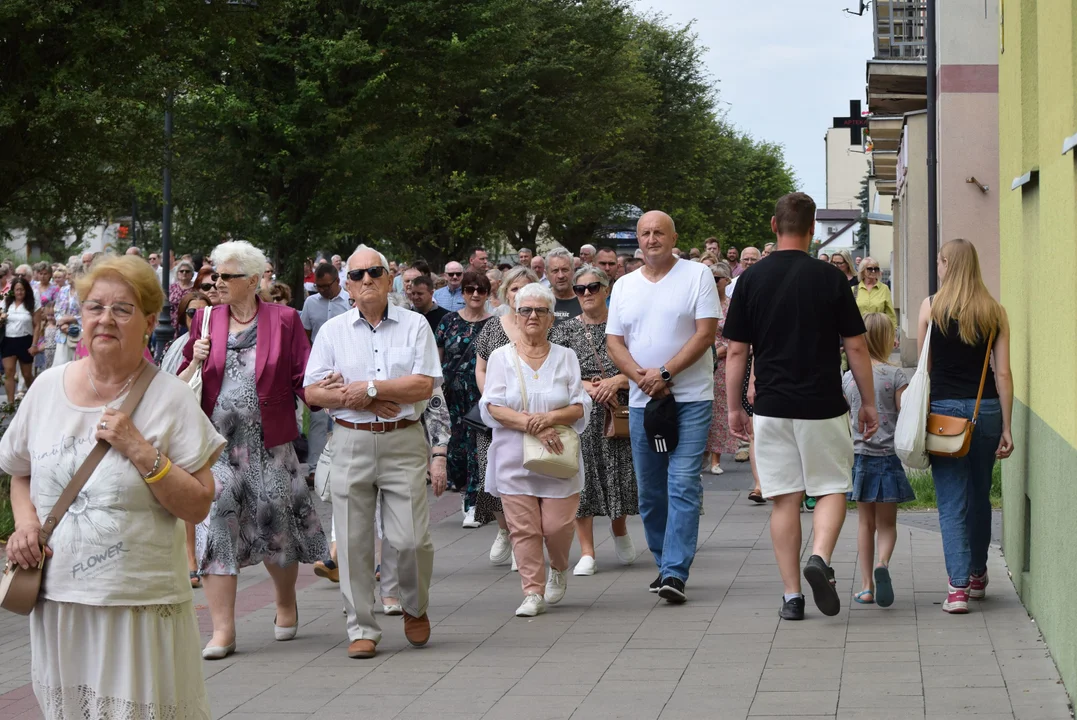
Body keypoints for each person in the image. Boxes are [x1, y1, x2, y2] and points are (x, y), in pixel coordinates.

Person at [0, 255, 224, 720]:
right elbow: (19, 471)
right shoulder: (45, 389)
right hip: (60, 601)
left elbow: (199, 504)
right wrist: (25, 525)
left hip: (139, 604)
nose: (105, 319)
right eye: (94, 306)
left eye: (122, 309)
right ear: (79, 316)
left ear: (147, 323)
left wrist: (140, 450)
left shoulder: (171, 398)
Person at [724, 192, 879, 621]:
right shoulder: (831, 279)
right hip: (823, 404)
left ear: (775, 226)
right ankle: (820, 557)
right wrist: (868, 402)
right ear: (813, 230)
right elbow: (857, 346)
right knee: (831, 486)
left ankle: (792, 596)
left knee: (783, 499)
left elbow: (737, 352)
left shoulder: (750, 280)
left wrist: (735, 408)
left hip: (771, 405)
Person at [179, 240, 328, 659]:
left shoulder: (283, 319)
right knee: (216, 530)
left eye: (227, 276)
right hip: (216, 447)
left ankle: (284, 602)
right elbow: (184, 380)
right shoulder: (206, 320)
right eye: (214, 275)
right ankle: (223, 630)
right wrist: (196, 359)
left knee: (275, 527)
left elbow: (304, 373)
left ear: (254, 279)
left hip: (270, 445)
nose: (217, 283)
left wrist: (326, 400)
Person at [303, 244, 439, 659]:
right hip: (349, 440)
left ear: (388, 278)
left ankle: (414, 607)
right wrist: (357, 400)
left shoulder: (415, 326)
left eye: (374, 272)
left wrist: (371, 388)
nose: (366, 281)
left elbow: (423, 385)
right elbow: (311, 392)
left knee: (412, 539)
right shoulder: (332, 331)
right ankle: (361, 626)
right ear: (347, 284)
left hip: (402, 439)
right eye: (358, 275)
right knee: (353, 540)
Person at [607, 210, 721, 604]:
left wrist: (666, 374)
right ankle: (663, 561)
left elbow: (706, 334)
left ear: (674, 238)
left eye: (659, 233)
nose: (651, 239)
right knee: (652, 493)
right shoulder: (623, 285)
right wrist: (641, 377)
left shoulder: (697, 276)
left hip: (688, 399)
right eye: (644, 233)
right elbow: (615, 342)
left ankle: (675, 571)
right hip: (643, 403)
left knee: (683, 482)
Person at [480, 283, 590, 617]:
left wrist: (547, 420)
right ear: (515, 316)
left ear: (550, 318)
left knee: (557, 527)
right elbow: (493, 407)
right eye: (525, 310)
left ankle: (558, 567)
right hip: (514, 456)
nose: (532, 316)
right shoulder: (501, 358)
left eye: (540, 311)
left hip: (558, 456)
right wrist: (532, 425)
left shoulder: (565, 356)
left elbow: (579, 405)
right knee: (523, 529)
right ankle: (532, 592)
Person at [917, 237, 1013, 613]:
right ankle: (977, 575)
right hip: (985, 409)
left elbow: (925, 369)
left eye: (941, 261)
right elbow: (1002, 373)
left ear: (946, 264)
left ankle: (957, 589)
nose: (939, 267)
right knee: (979, 494)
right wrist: (1007, 426)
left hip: (943, 414)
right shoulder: (995, 311)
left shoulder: (931, 307)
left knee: (951, 501)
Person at [551, 267, 638, 575]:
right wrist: (589, 387)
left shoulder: (624, 327)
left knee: (621, 476)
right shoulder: (562, 330)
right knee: (582, 481)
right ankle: (587, 551)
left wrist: (616, 382)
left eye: (593, 287)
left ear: (606, 289)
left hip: (620, 408)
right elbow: (556, 371)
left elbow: (642, 366)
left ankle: (619, 529)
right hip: (581, 411)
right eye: (580, 289)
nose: (586, 293)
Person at [843, 313, 914, 607]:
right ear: (887, 340)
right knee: (887, 524)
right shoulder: (897, 375)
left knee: (864, 523)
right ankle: (882, 564)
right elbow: (905, 412)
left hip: (859, 456)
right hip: (888, 457)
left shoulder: (847, 377)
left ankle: (866, 586)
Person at [474, 266, 540, 568]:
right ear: (505, 293)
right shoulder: (492, 327)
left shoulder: (544, 325)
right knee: (495, 480)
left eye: (525, 289)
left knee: (531, 480)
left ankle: (525, 541)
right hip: (497, 418)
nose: (519, 295)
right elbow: (482, 368)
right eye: (514, 289)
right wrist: (495, 404)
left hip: (535, 418)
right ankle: (505, 529)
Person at [435, 271, 493, 516]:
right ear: (463, 293)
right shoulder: (448, 321)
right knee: (456, 454)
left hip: (481, 396)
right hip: (451, 399)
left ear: (488, 293)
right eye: (470, 290)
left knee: (478, 450)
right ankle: (465, 492)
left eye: (481, 290)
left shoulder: (495, 324)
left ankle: (474, 504)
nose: (476, 294)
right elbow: (436, 361)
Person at [300, 262, 352, 487]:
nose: (321, 290)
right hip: (320, 369)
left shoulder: (350, 302)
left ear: (337, 281)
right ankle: (315, 469)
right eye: (318, 286)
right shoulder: (311, 303)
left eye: (326, 286)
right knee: (317, 419)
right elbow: (305, 336)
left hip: (346, 367)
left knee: (347, 415)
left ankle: (344, 467)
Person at [707, 263, 739, 476]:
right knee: (703, 408)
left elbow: (738, 335)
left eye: (717, 278)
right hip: (704, 360)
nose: (714, 281)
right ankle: (701, 455)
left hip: (725, 362)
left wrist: (722, 350)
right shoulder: (703, 304)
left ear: (727, 281)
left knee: (720, 410)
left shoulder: (731, 306)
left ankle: (716, 458)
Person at [1, 277, 40, 404]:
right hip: (8, 340)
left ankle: (35, 399)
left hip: (25, 340)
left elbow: (37, 325)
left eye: (22, 290)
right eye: (17, 290)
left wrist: (34, 344)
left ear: (26, 290)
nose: (19, 292)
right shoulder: (7, 303)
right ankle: (10, 403)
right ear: (13, 291)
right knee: (9, 372)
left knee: (27, 375)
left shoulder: (32, 303)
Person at [856, 257, 897, 329]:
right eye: (870, 269)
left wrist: (893, 333)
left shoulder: (884, 288)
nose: (873, 271)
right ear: (862, 270)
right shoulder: (854, 290)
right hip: (859, 331)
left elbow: (890, 314)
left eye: (876, 269)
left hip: (879, 331)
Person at [545, 248, 581, 324]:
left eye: (565, 270)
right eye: (555, 271)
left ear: (573, 271)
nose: (561, 276)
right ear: (546, 274)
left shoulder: (585, 299)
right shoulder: (541, 300)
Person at [168, 260, 196, 329]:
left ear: (192, 274)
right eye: (181, 271)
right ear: (177, 273)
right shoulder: (171, 287)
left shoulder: (195, 288)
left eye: (187, 271)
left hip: (187, 324)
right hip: (171, 323)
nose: (184, 273)